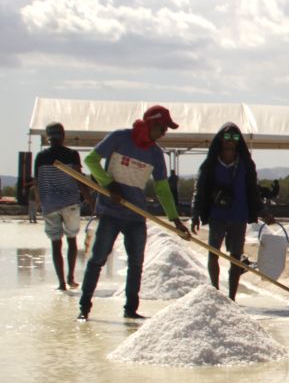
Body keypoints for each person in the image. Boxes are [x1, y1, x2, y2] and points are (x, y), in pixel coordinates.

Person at [77, 105, 190, 321]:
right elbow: (91, 160)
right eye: (163, 128)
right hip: (111, 212)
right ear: (152, 123)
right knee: (97, 259)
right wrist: (109, 184)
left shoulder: (156, 154)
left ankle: (131, 309)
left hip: (136, 215)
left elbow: (162, 189)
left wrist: (175, 220)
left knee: (136, 264)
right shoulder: (119, 138)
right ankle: (84, 307)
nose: (164, 133)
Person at [190, 123, 274, 301]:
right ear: (221, 139)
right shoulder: (211, 164)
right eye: (227, 137)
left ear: (239, 141)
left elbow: (253, 191)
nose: (230, 141)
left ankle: (231, 298)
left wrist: (263, 212)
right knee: (214, 253)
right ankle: (215, 293)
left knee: (235, 257)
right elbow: (200, 189)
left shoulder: (245, 164)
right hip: (217, 215)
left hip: (238, 215)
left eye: (235, 138)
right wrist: (195, 213)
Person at [34, 122, 92, 290]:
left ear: (48, 137)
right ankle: (71, 278)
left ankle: (61, 283)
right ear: (63, 136)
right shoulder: (72, 155)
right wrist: (89, 198)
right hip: (70, 203)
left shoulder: (40, 157)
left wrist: (39, 202)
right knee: (72, 239)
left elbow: (37, 183)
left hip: (50, 204)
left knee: (55, 242)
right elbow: (79, 179)